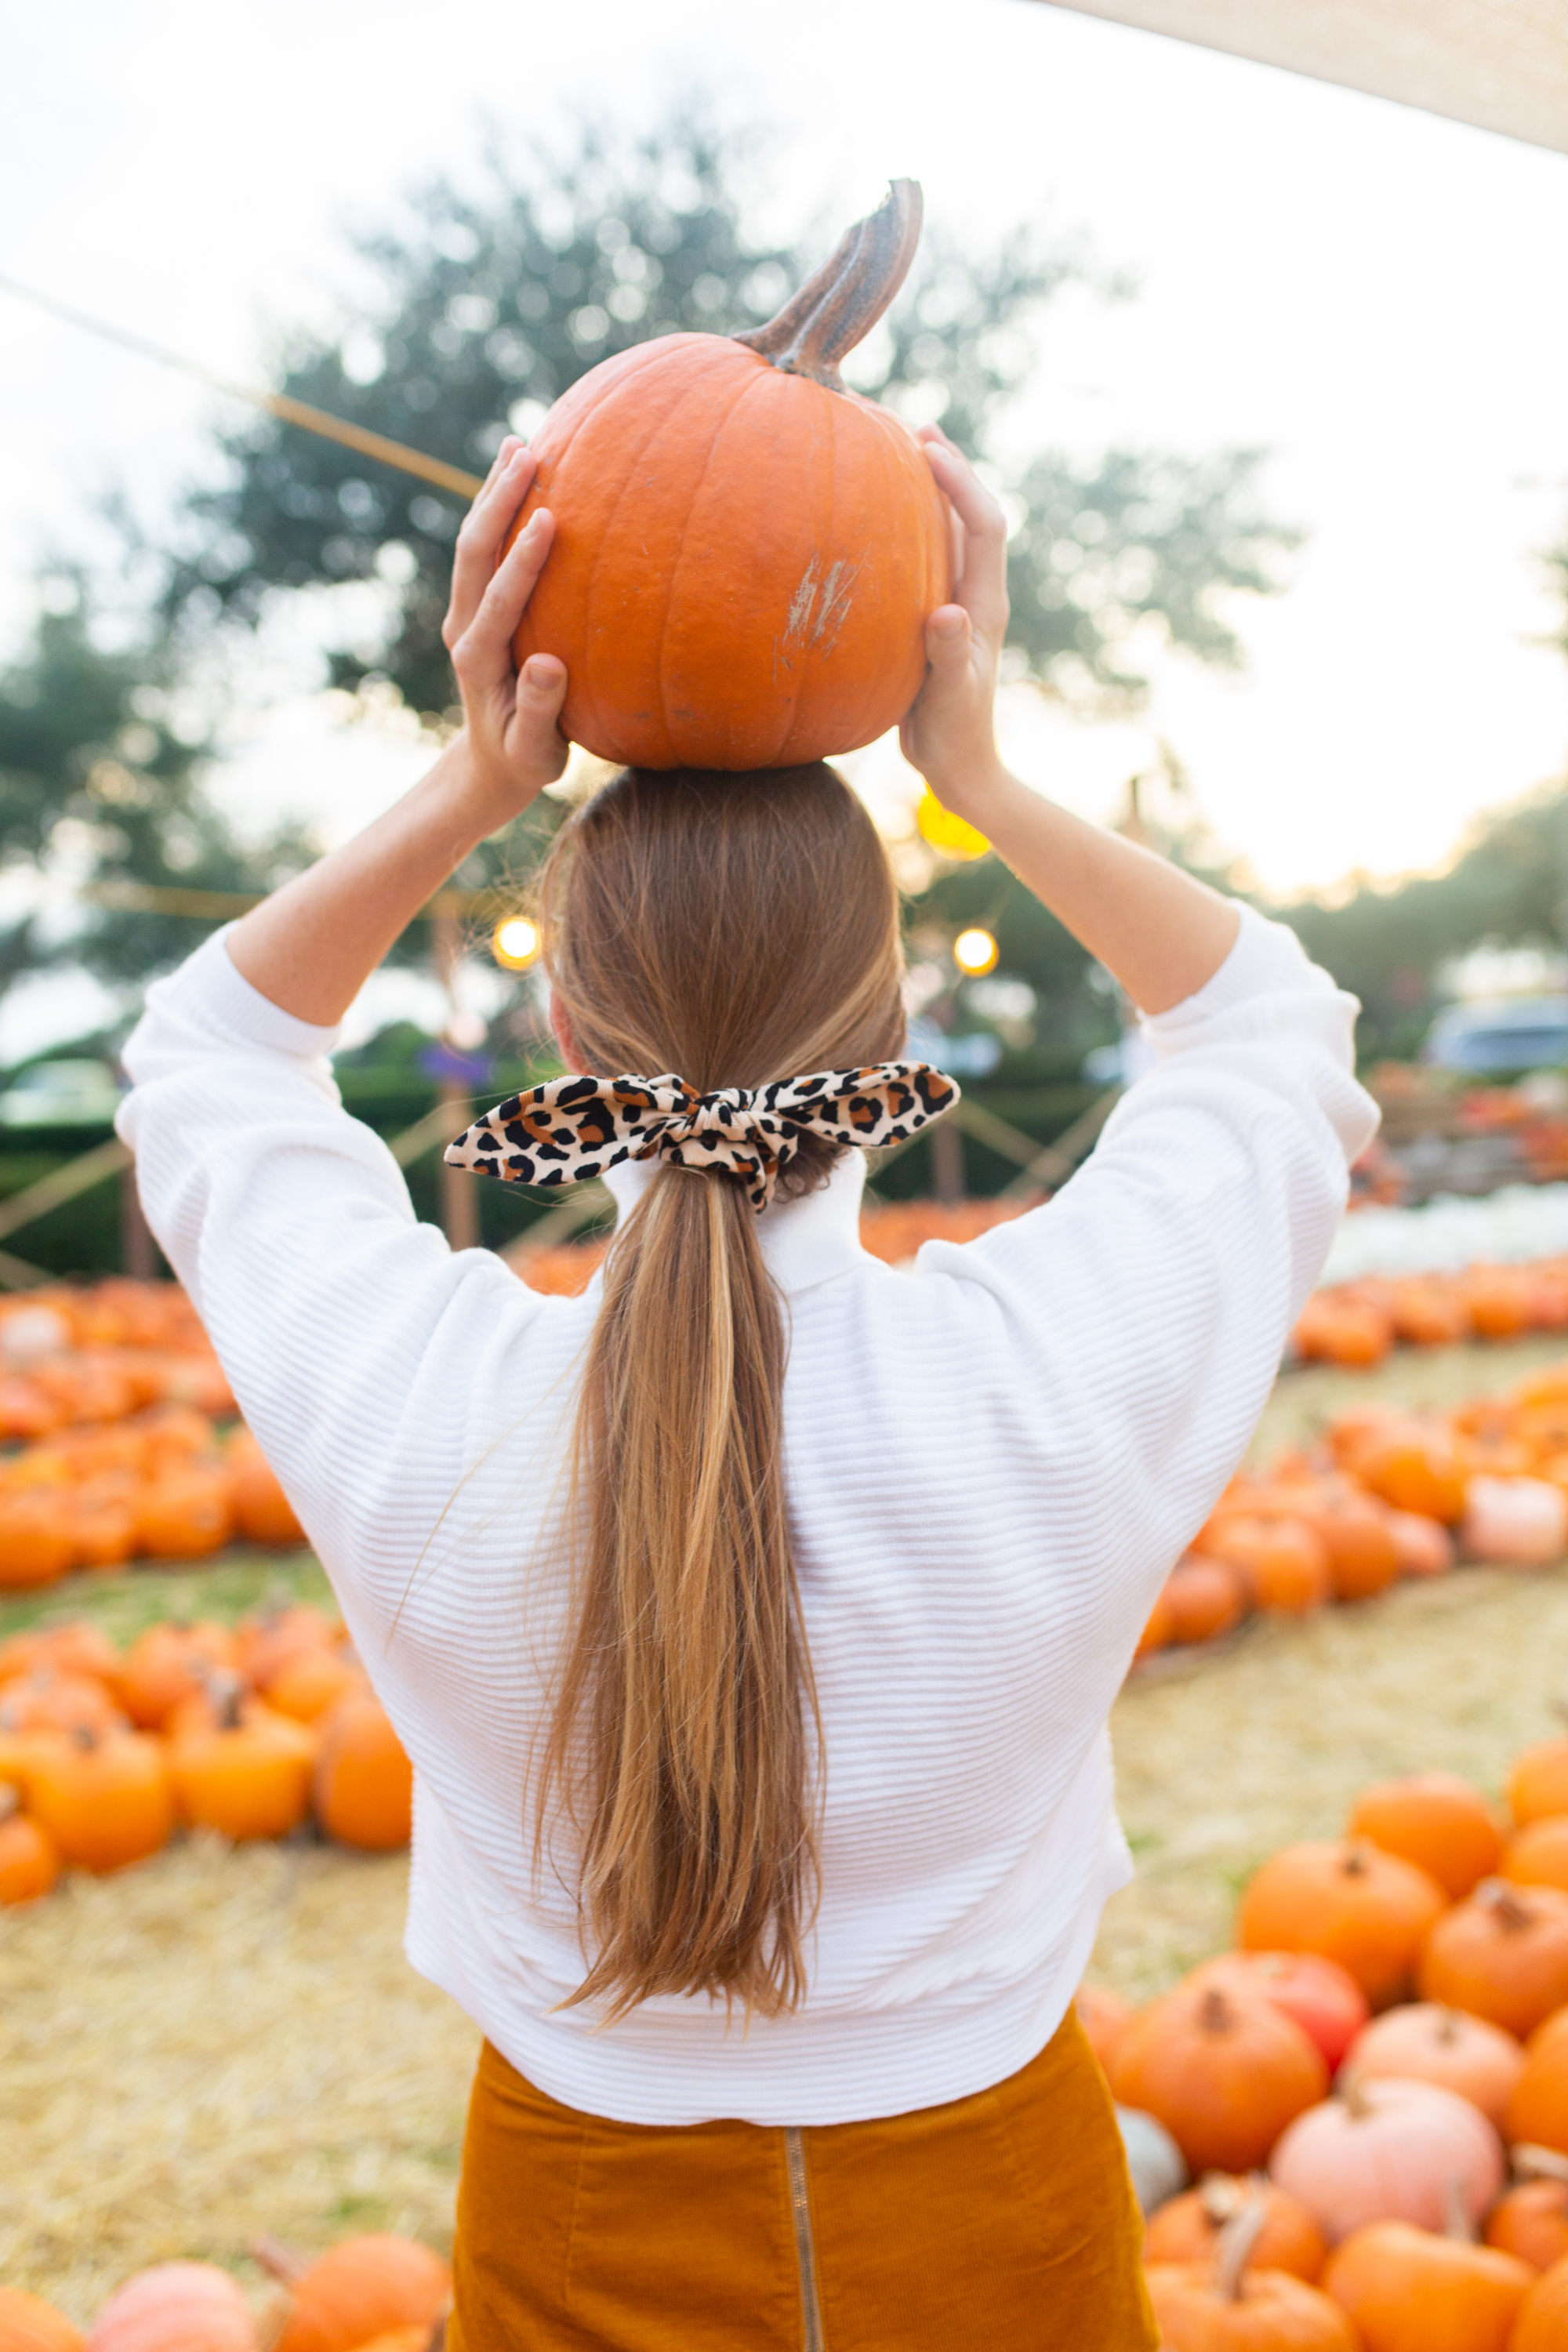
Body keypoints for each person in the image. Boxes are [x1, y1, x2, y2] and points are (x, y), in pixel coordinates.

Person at [118, 428, 1377, 2350]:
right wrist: (977, 777)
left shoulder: (425, 1401)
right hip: (998, 2221)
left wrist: (477, 777)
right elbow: (1264, 1029)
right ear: (886, 1027)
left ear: (562, 1029)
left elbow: (206, 1057)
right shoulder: (1049, 1367)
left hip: (573, 2218)